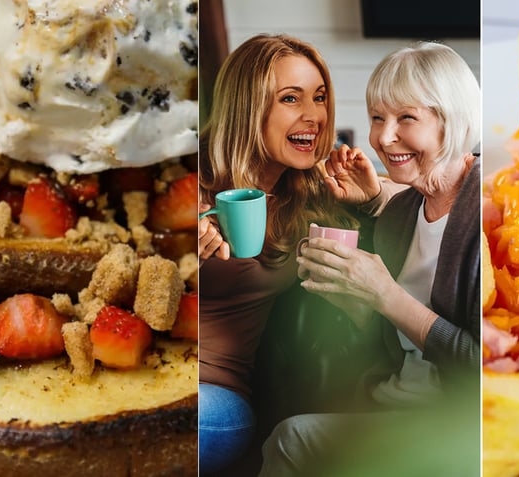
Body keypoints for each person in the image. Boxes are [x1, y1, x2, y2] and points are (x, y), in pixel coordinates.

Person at [258, 41, 481, 477]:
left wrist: (385, 294)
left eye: (406, 118)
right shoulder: (399, 214)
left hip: (460, 425)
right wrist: (354, 301)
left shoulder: (492, 212)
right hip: (391, 405)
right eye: (378, 117)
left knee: (290, 440)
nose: (384, 136)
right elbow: (394, 342)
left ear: (451, 120)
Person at [198, 34, 358, 473]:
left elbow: (430, 185)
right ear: (248, 109)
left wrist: (374, 197)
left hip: (216, 397)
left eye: (320, 97)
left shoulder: (311, 193)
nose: (315, 116)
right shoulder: (186, 182)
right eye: (291, 98)